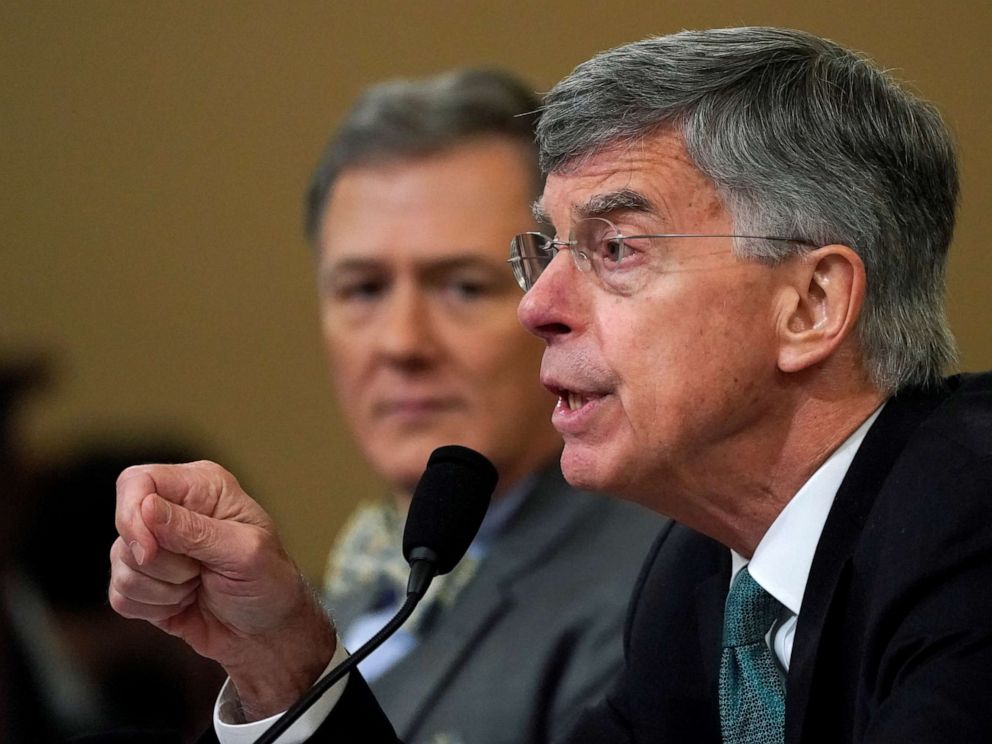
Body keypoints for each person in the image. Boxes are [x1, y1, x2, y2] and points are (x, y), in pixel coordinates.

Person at [109, 26, 992, 744]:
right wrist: (283, 659)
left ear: (811, 302)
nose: (538, 307)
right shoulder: (701, 581)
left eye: (615, 250)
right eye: (546, 252)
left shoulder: (971, 521)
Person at [109, 69, 663, 744]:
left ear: (560, 298)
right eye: (364, 289)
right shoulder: (334, 595)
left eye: (462, 286)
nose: (402, 342)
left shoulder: (648, 595)